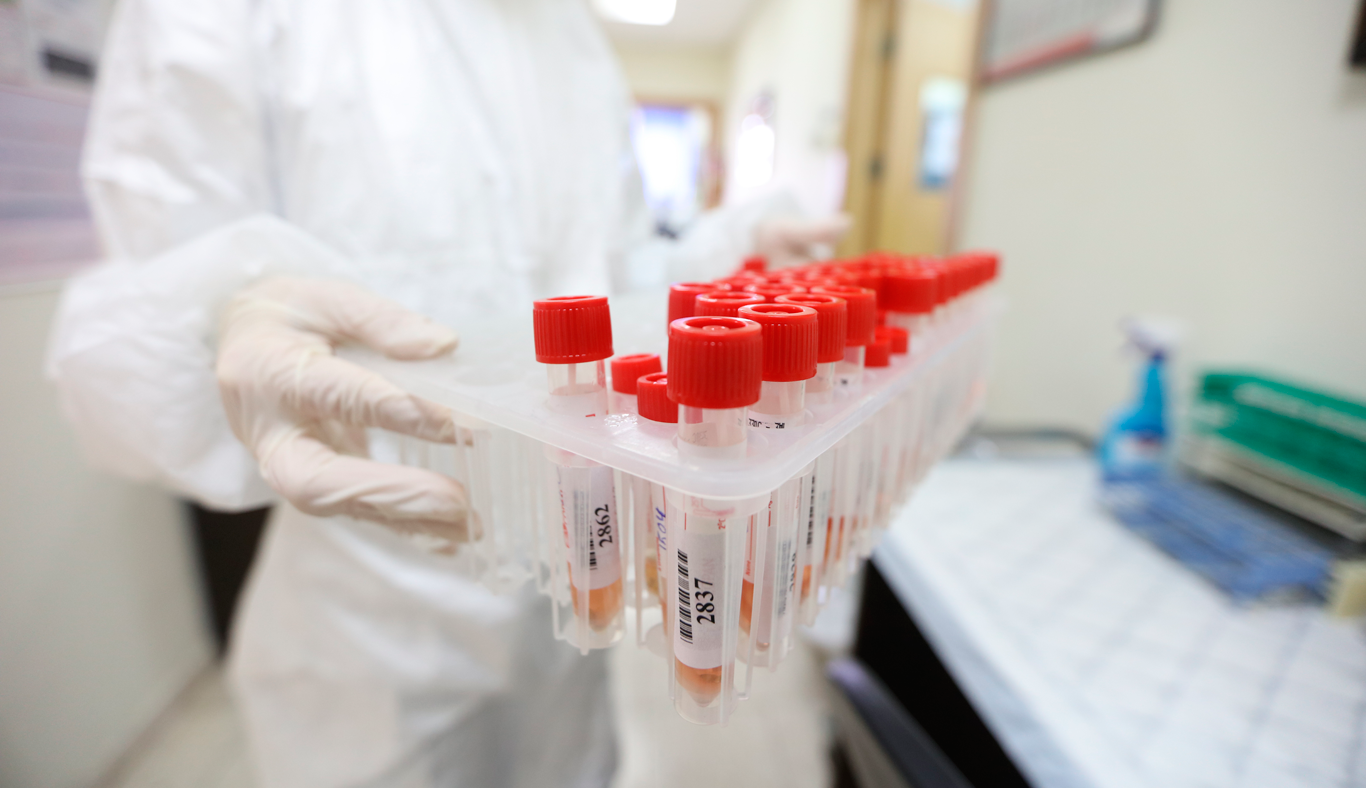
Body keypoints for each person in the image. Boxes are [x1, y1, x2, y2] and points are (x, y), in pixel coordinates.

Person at [46, 1, 847, 786]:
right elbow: (147, 298)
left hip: (567, 600)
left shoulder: (570, 34)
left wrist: (723, 256)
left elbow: (612, 285)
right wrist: (227, 307)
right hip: (373, 639)